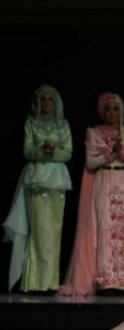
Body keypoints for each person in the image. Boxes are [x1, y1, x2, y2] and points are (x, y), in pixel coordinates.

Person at [58, 92, 124, 296]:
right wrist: (109, 154)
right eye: (108, 109)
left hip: (123, 181)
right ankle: (107, 280)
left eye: (115, 109)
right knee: (106, 229)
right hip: (104, 181)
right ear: (101, 112)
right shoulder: (94, 133)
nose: (112, 113)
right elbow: (90, 162)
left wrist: (121, 151)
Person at [3, 84, 72, 292]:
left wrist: (53, 152)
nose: (47, 103)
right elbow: (27, 150)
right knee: (40, 230)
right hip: (36, 179)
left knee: (54, 231)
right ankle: (35, 281)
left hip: (57, 180)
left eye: (51, 99)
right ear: (38, 102)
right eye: (43, 99)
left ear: (56, 102)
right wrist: (43, 151)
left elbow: (68, 152)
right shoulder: (31, 122)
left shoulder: (63, 124)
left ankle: (50, 282)